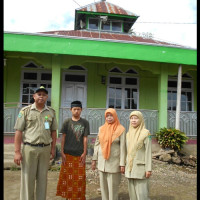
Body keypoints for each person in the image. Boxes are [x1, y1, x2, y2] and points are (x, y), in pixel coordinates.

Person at [14, 86, 58, 200]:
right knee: (28, 178)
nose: (41, 97)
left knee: (42, 178)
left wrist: (53, 149)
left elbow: (53, 131)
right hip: (29, 149)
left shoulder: (51, 112)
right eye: (39, 94)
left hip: (45, 149)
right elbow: (18, 131)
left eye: (44, 95)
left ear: (47, 97)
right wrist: (17, 151)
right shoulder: (25, 111)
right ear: (34, 96)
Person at [56, 100, 90, 199]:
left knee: (79, 178)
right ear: (71, 110)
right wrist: (61, 151)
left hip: (80, 154)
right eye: (74, 109)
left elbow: (85, 138)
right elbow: (63, 137)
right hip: (67, 154)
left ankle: (79, 197)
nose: (76, 111)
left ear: (81, 110)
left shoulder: (85, 122)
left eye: (78, 109)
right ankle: (68, 197)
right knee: (67, 178)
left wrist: (84, 152)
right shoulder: (67, 122)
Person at [91, 108, 126, 200]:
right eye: (107, 116)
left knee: (113, 188)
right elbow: (97, 144)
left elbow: (123, 148)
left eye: (111, 116)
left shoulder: (121, 129)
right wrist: (94, 159)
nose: (109, 118)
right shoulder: (101, 128)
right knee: (103, 188)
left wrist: (122, 163)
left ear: (115, 116)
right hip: (102, 162)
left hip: (114, 162)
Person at [125, 111, 152, 200]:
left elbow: (148, 152)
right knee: (132, 195)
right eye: (131, 118)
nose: (133, 120)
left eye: (136, 118)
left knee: (142, 195)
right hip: (130, 168)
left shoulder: (146, 133)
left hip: (141, 169)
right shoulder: (128, 134)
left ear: (140, 119)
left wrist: (148, 169)